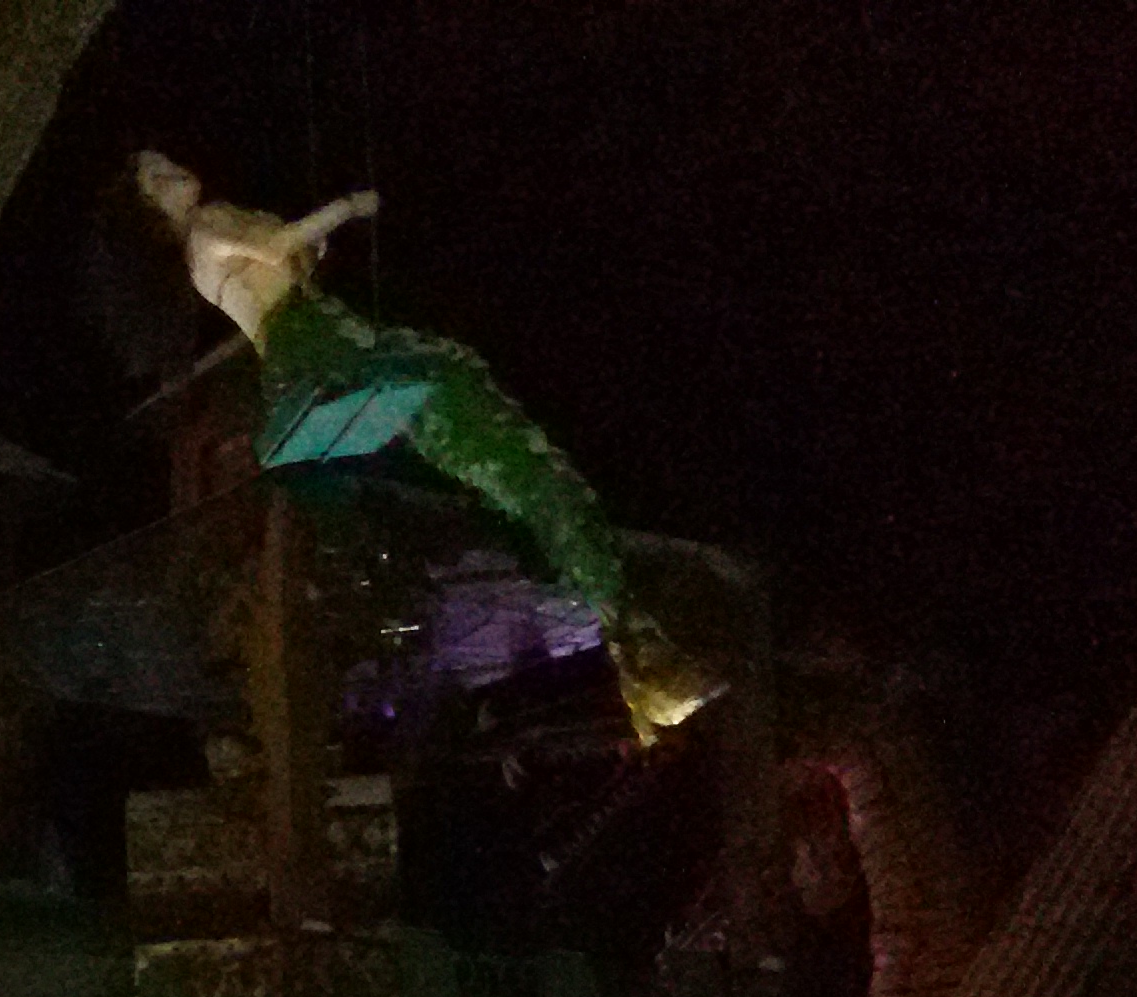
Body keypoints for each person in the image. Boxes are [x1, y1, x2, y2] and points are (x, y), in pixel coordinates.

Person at [135, 153, 716, 742]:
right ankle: (619, 616)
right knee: (458, 391)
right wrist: (348, 207)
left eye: (165, 163)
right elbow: (281, 246)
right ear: (150, 210)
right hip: (318, 345)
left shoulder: (205, 247)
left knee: (459, 403)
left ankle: (623, 623)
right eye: (154, 178)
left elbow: (288, 259)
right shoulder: (205, 225)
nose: (172, 172)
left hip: (316, 345)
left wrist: (312, 246)